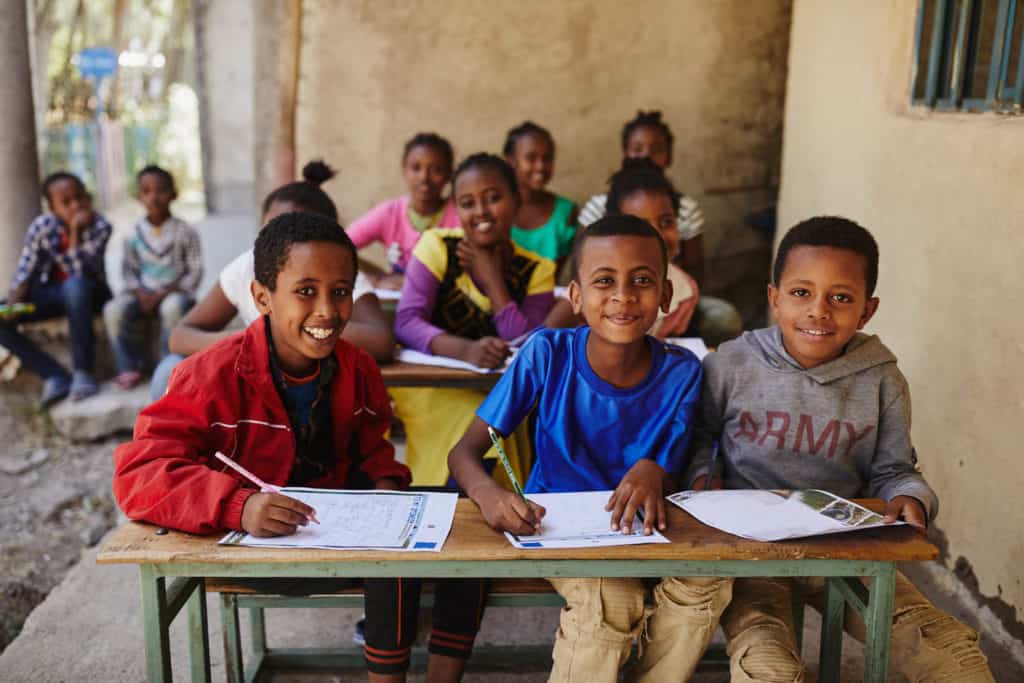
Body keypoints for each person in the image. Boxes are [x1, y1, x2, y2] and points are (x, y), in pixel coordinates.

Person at [114, 212, 474, 682]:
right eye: (306, 292)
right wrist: (238, 505)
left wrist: (387, 491)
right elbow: (138, 474)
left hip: (338, 532)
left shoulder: (357, 368)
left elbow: (372, 450)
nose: (327, 310)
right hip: (264, 547)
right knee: (394, 561)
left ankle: (442, 678)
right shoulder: (210, 374)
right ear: (262, 297)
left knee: (465, 521)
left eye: (340, 291)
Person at [686, 216, 994, 682]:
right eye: (801, 293)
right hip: (754, 553)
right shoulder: (731, 363)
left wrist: (910, 499)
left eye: (841, 298)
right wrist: (702, 484)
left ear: (866, 312)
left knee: (955, 659)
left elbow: (894, 469)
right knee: (767, 668)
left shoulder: (881, 378)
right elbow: (702, 442)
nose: (818, 311)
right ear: (774, 297)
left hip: (846, 548)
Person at [448, 214, 732, 683]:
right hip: (557, 525)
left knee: (707, 582)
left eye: (642, 281)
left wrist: (654, 472)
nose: (623, 296)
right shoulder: (547, 353)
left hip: (644, 531)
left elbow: (679, 464)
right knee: (611, 598)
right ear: (576, 297)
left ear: (665, 295)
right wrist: (488, 495)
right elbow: (464, 452)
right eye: (604, 281)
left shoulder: (683, 372)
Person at [154, 161, 391, 400]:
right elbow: (181, 336)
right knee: (170, 369)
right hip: (251, 375)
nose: (280, 242)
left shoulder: (340, 275)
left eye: (295, 233)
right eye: (271, 230)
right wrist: (256, 341)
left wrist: (311, 331)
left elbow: (381, 341)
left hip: (313, 381)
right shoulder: (246, 267)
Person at [393, 152, 556, 487]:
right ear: (456, 209)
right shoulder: (437, 246)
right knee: (474, 421)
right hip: (433, 386)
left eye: (493, 198)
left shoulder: (538, 269)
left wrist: (492, 278)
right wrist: (466, 351)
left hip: (500, 391)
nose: (480, 212)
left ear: (516, 200)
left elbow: (525, 344)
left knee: (498, 413)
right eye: (467, 203)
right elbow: (406, 322)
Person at [579, 110, 741, 345]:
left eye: (666, 222)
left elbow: (695, 267)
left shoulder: (682, 290)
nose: (654, 232)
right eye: (638, 148)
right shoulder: (596, 287)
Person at [545, 158, 700, 336]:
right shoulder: (592, 284)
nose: (657, 234)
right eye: (640, 225)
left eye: (666, 222)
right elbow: (545, 338)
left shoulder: (686, 291)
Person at [0, 171, 112, 405]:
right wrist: (14, 299)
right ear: (51, 208)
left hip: (91, 295)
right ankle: (55, 375)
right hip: (54, 296)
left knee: (76, 286)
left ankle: (84, 373)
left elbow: (79, 271)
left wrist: (74, 232)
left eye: (80, 197)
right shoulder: (42, 226)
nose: (76, 205)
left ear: (88, 197)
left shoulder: (100, 225)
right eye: (66, 202)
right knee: (1, 313)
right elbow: (26, 269)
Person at [103, 165, 201, 389]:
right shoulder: (133, 233)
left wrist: (164, 293)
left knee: (172, 308)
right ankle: (128, 366)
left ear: (173, 194)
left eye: (161, 191)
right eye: (147, 191)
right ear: (138, 196)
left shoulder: (185, 231)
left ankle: (168, 364)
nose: (154, 197)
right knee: (113, 310)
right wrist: (140, 292)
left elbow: (194, 271)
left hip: (174, 293)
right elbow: (128, 271)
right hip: (141, 293)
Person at [346, 133, 459, 289]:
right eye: (416, 168)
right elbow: (338, 247)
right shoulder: (389, 213)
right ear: (404, 170)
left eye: (436, 170)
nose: (424, 177)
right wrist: (376, 279)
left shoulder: (460, 215)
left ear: (449, 175)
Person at [502, 121, 577, 272]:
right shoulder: (496, 210)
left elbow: (554, 276)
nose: (540, 166)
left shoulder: (566, 212)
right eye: (531, 158)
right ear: (511, 161)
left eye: (547, 158)